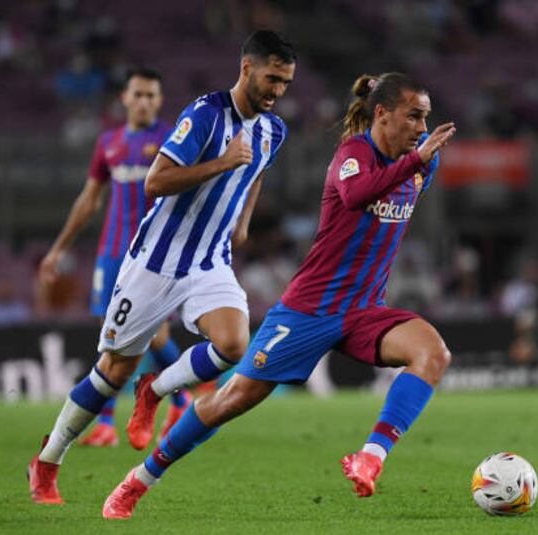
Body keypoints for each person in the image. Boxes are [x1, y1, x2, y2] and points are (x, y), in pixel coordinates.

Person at [101, 72, 455, 519]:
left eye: (426, 118)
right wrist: (416, 160)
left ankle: (371, 457)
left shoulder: (422, 161)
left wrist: (418, 160)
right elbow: (355, 195)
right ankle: (140, 479)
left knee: (433, 353)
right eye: (415, 116)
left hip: (365, 308)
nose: (423, 129)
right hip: (309, 310)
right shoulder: (353, 155)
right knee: (232, 400)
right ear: (381, 113)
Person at [27, 30, 295, 504]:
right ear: (247, 68)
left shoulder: (274, 130)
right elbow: (157, 181)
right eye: (272, 78)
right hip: (155, 262)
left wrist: (243, 222)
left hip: (210, 260)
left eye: (286, 83)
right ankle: (47, 461)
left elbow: (255, 173)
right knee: (111, 370)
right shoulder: (206, 115)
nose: (277, 91)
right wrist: (222, 162)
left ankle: (155, 390)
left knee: (234, 342)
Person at [38, 67, 190, 449]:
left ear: (159, 100)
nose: (144, 101)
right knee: (111, 338)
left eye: (151, 95)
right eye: (138, 94)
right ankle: (108, 421)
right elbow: (89, 200)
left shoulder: (172, 139)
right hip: (110, 254)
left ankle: (181, 399)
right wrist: (59, 248)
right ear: (124, 98)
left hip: (153, 255)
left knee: (153, 336)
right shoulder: (109, 143)